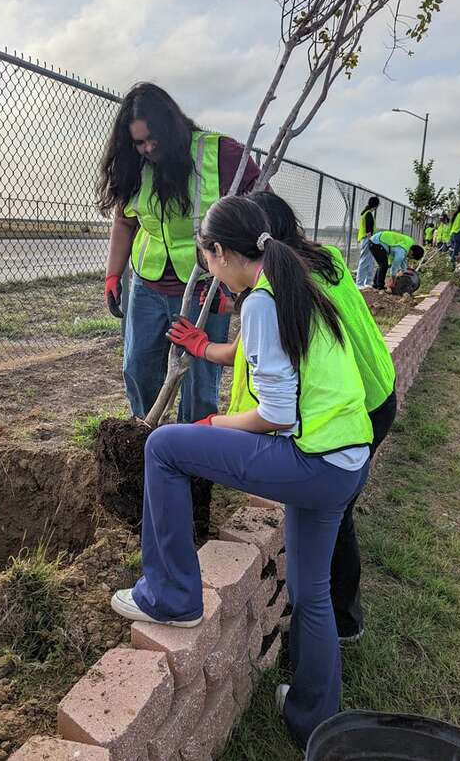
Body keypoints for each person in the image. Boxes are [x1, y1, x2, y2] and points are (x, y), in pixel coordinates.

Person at [110, 196, 373, 750]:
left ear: (219, 251)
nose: (206, 268)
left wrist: (214, 422)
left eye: (206, 257)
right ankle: (313, 718)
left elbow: (276, 413)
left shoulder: (260, 302)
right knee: (311, 592)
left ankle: (171, 596)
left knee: (164, 447)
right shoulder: (295, 285)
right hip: (347, 458)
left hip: (314, 459)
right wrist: (208, 353)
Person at [247, 191, 396, 642]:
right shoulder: (326, 258)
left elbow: (265, 373)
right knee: (335, 512)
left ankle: (341, 622)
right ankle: (334, 616)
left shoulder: (286, 284)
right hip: (378, 395)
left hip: (354, 412)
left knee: (333, 514)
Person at [96, 82, 261, 423]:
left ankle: (193, 451)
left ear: (174, 125)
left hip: (206, 287)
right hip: (148, 287)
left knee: (200, 380)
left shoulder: (222, 155)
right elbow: (124, 222)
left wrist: (240, 289)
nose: (148, 147)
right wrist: (113, 274)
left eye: (153, 138)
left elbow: (261, 213)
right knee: (138, 365)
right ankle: (147, 437)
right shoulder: (134, 165)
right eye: (139, 142)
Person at [355, 196, 380, 289]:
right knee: (364, 261)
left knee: (370, 261)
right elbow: (368, 230)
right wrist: (371, 241)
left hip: (368, 239)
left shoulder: (367, 213)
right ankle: (359, 283)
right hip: (367, 239)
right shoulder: (368, 214)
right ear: (376, 205)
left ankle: (367, 282)